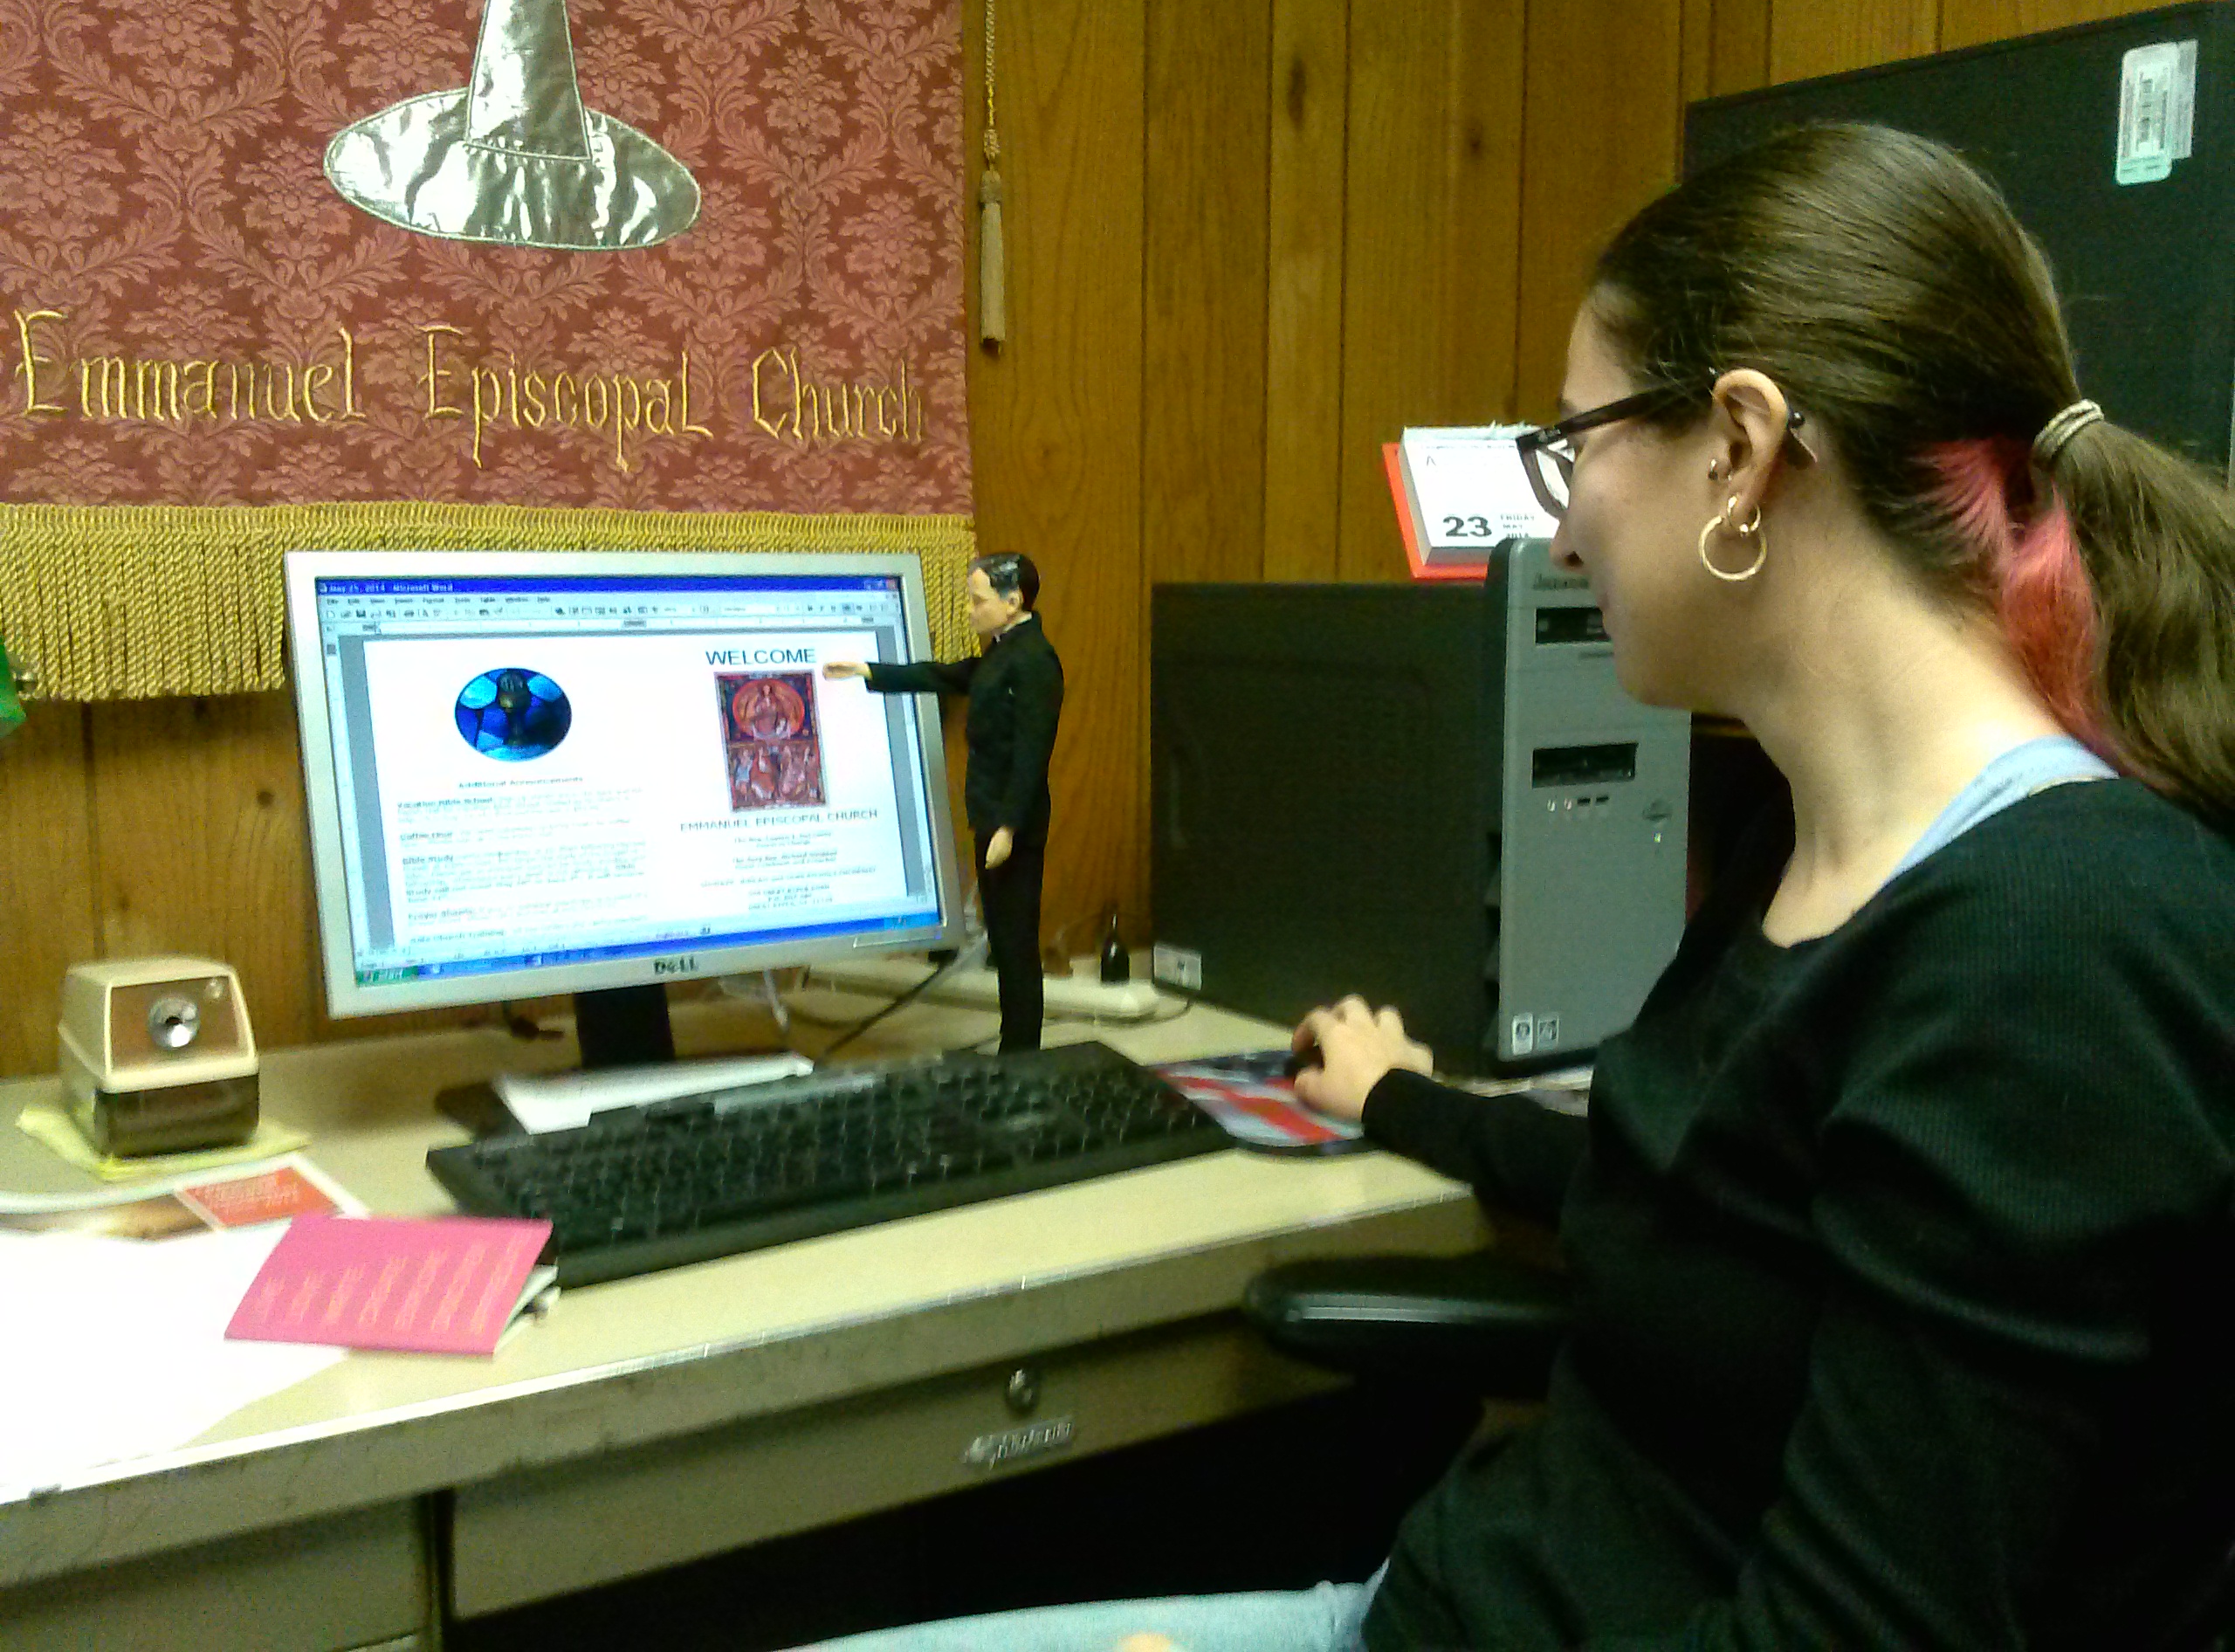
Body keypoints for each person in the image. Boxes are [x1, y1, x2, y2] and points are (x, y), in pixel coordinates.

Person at [792, 124, 2235, 1651]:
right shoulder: (1818, 845)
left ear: (1740, 449)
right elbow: (1690, 1195)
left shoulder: (2057, 957)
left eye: (1576, 441)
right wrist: (1400, 1099)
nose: (1559, 523)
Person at [825, 552, 1063, 1053]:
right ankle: (1014, 1044)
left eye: (978, 601)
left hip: (1011, 824)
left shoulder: (1034, 661)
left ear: (1013, 601)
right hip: (990, 815)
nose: (971, 611)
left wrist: (1009, 827)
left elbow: (1032, 753)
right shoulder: (1002, 653)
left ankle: (1022, 1050)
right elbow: (946, 676)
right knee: (1004, 940)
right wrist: (870, 670)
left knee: (1016, 944)